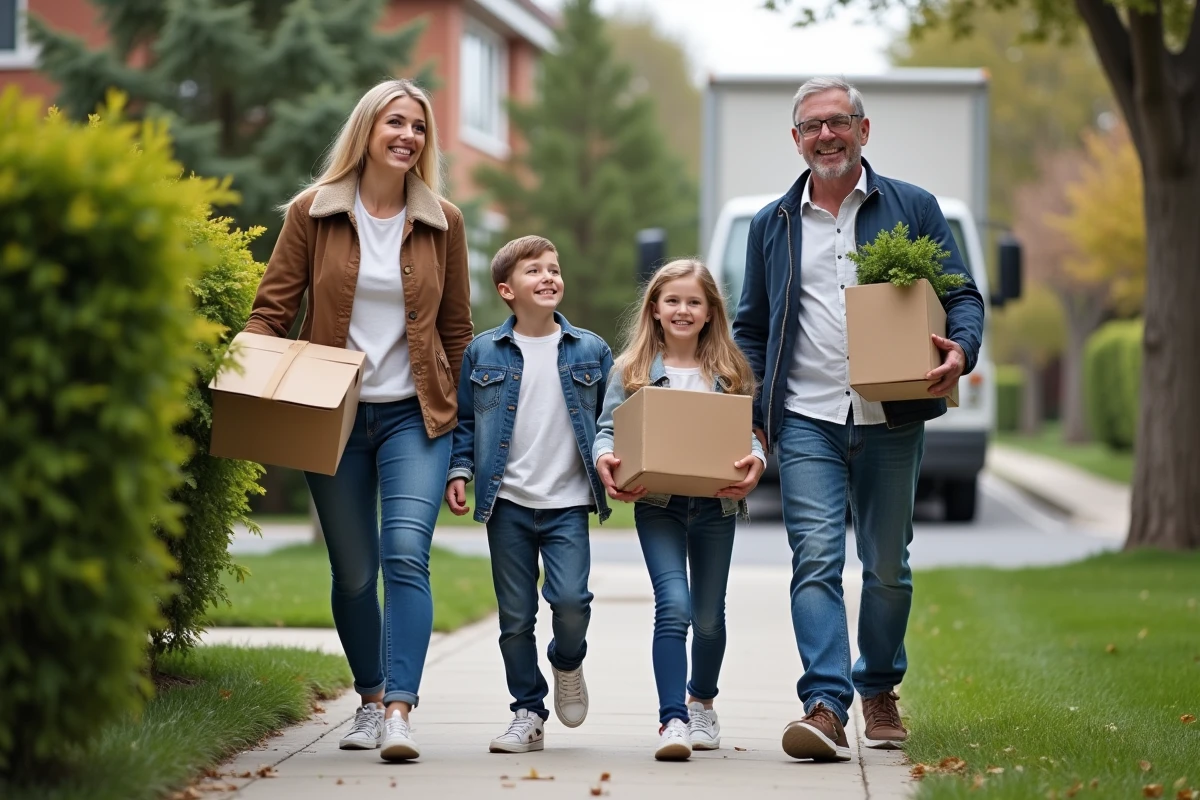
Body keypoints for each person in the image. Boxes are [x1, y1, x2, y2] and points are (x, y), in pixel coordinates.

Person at [731, 77, 985, 761]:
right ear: (796, 140)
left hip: (892, 411)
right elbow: (752, 327)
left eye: (838, 122)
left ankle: (878, 688)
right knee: (814, 558)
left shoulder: (913, 207)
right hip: (807, 416)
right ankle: (824, 704)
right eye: (811, 126)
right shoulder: (772, 224)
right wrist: (754, 414)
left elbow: (960, 293)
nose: (825, 136)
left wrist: (961, 347)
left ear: (863, 130)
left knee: (886, 565)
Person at [243, 78, 472, 762]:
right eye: (395, 122)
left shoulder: (443, 221)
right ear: (368, 130)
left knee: (406, 553)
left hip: (415, 416)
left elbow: (457, 333)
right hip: (332, 418)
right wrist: (253, 380)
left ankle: (400, 709)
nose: (408, 136)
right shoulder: (313, 212)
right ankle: (369, 699)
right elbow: (269, 311)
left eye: (420, 128)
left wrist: (462, 445)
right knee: (352, 573)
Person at [445, 235, 613, 754]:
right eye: (534, 271)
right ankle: (527, 711)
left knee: (570, 602)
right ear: (506, 289)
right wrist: (460, 470)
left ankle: (567, 662)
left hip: (566, 503)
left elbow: (613, 421)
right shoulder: (484, 352)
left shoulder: (590, 349)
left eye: (553, 269)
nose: (548, 277)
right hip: (508, 504)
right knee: (515, 617)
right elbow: (467, 422)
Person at [594, 259, 765, 761]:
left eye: (694, 301)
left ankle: (702, 701)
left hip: (716, 506)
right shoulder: (631, 371)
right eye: (673, 300)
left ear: (711, 311)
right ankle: (673, 718)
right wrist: (607, 457)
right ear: (654, 308)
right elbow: (608, 429)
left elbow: (749, 435)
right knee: (673, 606)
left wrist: (755, 459)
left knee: (709, 618)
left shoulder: (730, 372)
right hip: (658, 504)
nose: (683, 310)